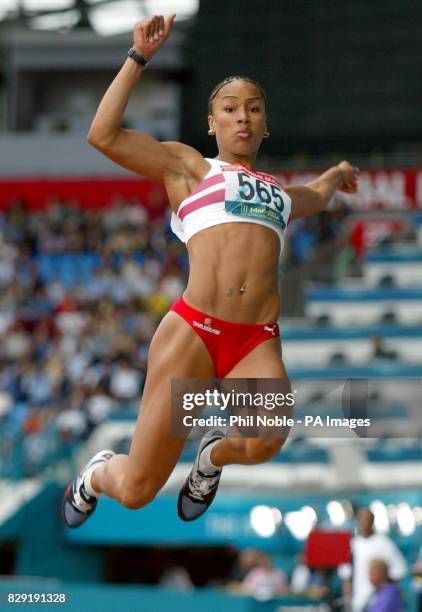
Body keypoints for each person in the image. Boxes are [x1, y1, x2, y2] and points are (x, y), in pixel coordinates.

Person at [62, 13, 359, 527]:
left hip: (254, 340)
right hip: (194, 331)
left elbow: (312, 195)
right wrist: (138, 57)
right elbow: (103, 135)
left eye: (254, 109)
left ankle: (211, 455)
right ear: (212, 123)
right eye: (230, 108)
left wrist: (335, 174)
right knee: (135, 490)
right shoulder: (189, 167)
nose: (242, 117)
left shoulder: (279, 195)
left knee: (267, 438)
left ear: (266, 123)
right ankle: (96, 474)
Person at [341, 508, 407, 612]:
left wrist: (387, 597)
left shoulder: (385, 543)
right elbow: (346, 578)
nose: (365, 523)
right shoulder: (353, 545)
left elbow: (398, 573)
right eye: (362, 519)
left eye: (368, 519)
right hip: (358, 603)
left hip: (381, 604)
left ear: (373, 520)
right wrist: (348, 605)